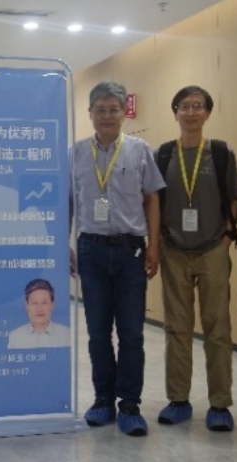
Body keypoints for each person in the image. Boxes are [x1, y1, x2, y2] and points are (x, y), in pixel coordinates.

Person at [70, 81, 165, 437]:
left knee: (132, 334)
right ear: (90, 113)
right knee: (97, 333)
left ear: (124, 113)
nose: (107, 116)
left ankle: (129, 405)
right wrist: (65, 243)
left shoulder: (140, 150)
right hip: (90, 250)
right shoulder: (76, 153)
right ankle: (102, 400)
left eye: (113, 109)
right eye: (100, 109)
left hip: (130, 250)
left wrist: (154, 245)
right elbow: (67, 199)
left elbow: (152, 198)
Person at [154, 86, 237, 431]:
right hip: (174, 251)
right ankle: (178, 400)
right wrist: (158, 241)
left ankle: (220, 403)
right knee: (177, 328)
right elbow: (154, 201)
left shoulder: (220, 152)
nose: (191, 112)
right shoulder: (163, 154)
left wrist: (226, 238)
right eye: (184, 106)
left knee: (217, 328)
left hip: (212, 251)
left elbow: (233, 198)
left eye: (198, 106)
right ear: (175, 112)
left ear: (207, 113)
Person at [7, 279, 71, 349]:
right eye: (34, 303)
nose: (39, 309)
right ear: (27, 306)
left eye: (44, 303)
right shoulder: (14, 337)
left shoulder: (67, 335)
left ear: (52, 305)